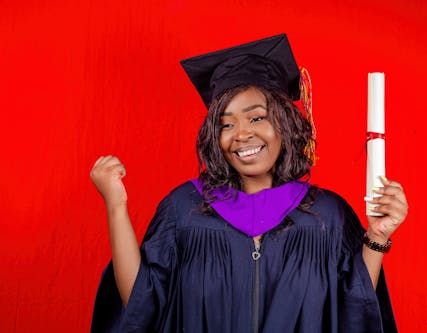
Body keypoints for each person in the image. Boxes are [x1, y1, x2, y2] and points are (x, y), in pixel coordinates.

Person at [90, 34, 408, 333]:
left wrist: (377, 238)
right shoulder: (182, 210)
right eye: (226, 123)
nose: (242, 134)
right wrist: (116, 206)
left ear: (284, 123)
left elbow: (354, 308)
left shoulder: (328, 215)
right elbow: (142, 305)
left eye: (256, 118)